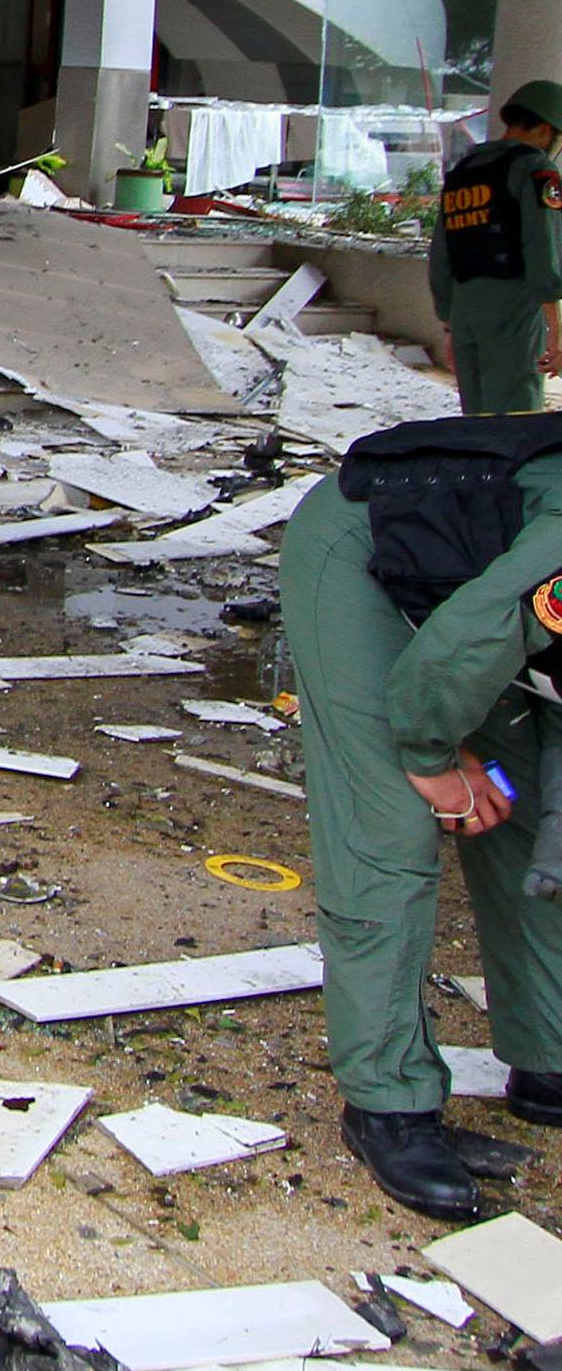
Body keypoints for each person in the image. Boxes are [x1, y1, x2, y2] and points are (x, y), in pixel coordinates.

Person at [280, 412, 562, 1220]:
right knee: (394, 827)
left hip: (474, 596)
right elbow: (465, 645)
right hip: (362, 558)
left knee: (527, 806)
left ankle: (547, 1055)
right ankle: (387, 1102)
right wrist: (435, 756)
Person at [430, 79, 562, 413]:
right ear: (546, 130)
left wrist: (449, 323)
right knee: (516, 423)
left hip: (463, 310)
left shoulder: (464, 171)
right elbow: (541, 245)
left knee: (476, 423)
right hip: (513, 309)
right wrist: (554, 325)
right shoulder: (536, 168)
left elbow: (441, 255)